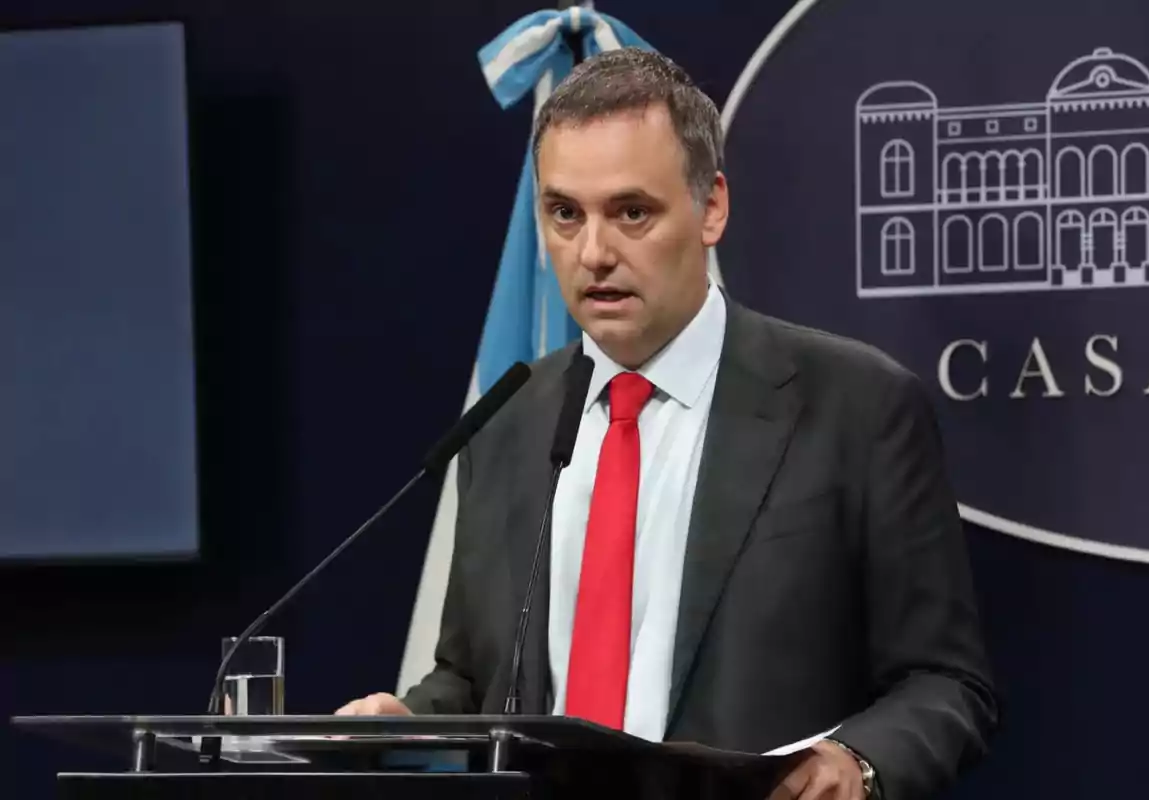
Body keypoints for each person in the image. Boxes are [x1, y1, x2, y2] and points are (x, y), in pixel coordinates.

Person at [338, 48, 998, 800]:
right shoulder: (505, 423)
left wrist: (858, 762)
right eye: (565, 213)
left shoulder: (858, 407)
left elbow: (946, 683)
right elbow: (471, 677)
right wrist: (410, 722)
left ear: (711, 206)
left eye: (631, 213)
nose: (593, 253)